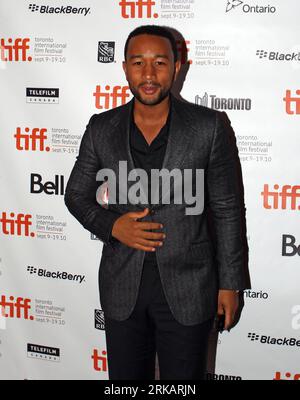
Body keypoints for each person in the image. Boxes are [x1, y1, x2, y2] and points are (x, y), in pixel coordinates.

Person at [64, 25, 250, 380]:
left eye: (160, 63)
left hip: (190, 286)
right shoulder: (101, 128)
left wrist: (230, 283)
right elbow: (75, 194)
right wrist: (112, 226)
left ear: (177, 68)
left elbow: (228, 208)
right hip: (122, 287)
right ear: (124, 68)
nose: (148, 74)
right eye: (138, 63)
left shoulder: (209, 127)